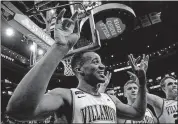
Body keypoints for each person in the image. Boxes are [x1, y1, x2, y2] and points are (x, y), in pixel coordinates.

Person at [6, 9, 147, 123]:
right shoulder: (65, 95)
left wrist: (142, 83)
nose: (102, 66)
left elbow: (138, 114)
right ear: (79, 70)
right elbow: (18, 111)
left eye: (101, 62)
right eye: (95, 62)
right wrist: (59, 48)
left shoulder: (111, 99)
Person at [129, 55, 178, 123]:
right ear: (163, 88)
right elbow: (144, 95)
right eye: (170, 84)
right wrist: (141, 77)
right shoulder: (161, 102)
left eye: (175, 83)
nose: (174, 85)